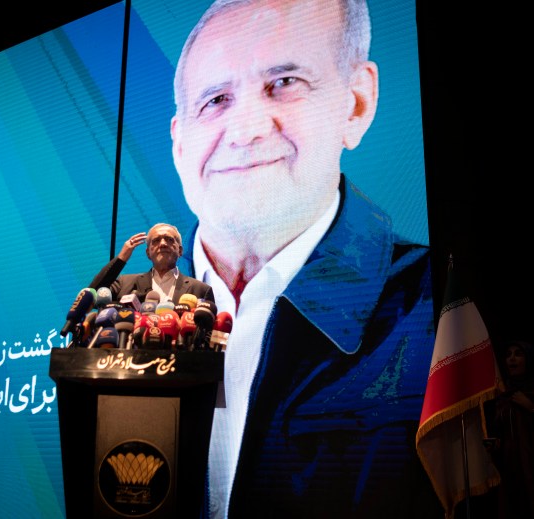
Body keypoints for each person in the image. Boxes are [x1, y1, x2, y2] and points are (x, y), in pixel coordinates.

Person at [169, 0, 437, 517]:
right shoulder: (116, 315)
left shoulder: (439, 314)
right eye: (217, 99)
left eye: (284, 82)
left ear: (356, 103)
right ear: (180, 145)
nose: (245, 129)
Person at [89, 222, 215, 304]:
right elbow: (91, 297)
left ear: (180, 251)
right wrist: (121, 258)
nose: (163, 244)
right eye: (156, 241)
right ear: (148, 253)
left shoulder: (201, 290)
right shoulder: (125, 284)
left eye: (169, 239)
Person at [485, 339, 534, 518]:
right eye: (508, 355)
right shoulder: (502, 396)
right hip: (509, 469)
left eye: (518, 354)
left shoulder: (530, 392)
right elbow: (500, 431)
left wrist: (530, 407)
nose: (512, 359)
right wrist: (495, 444)